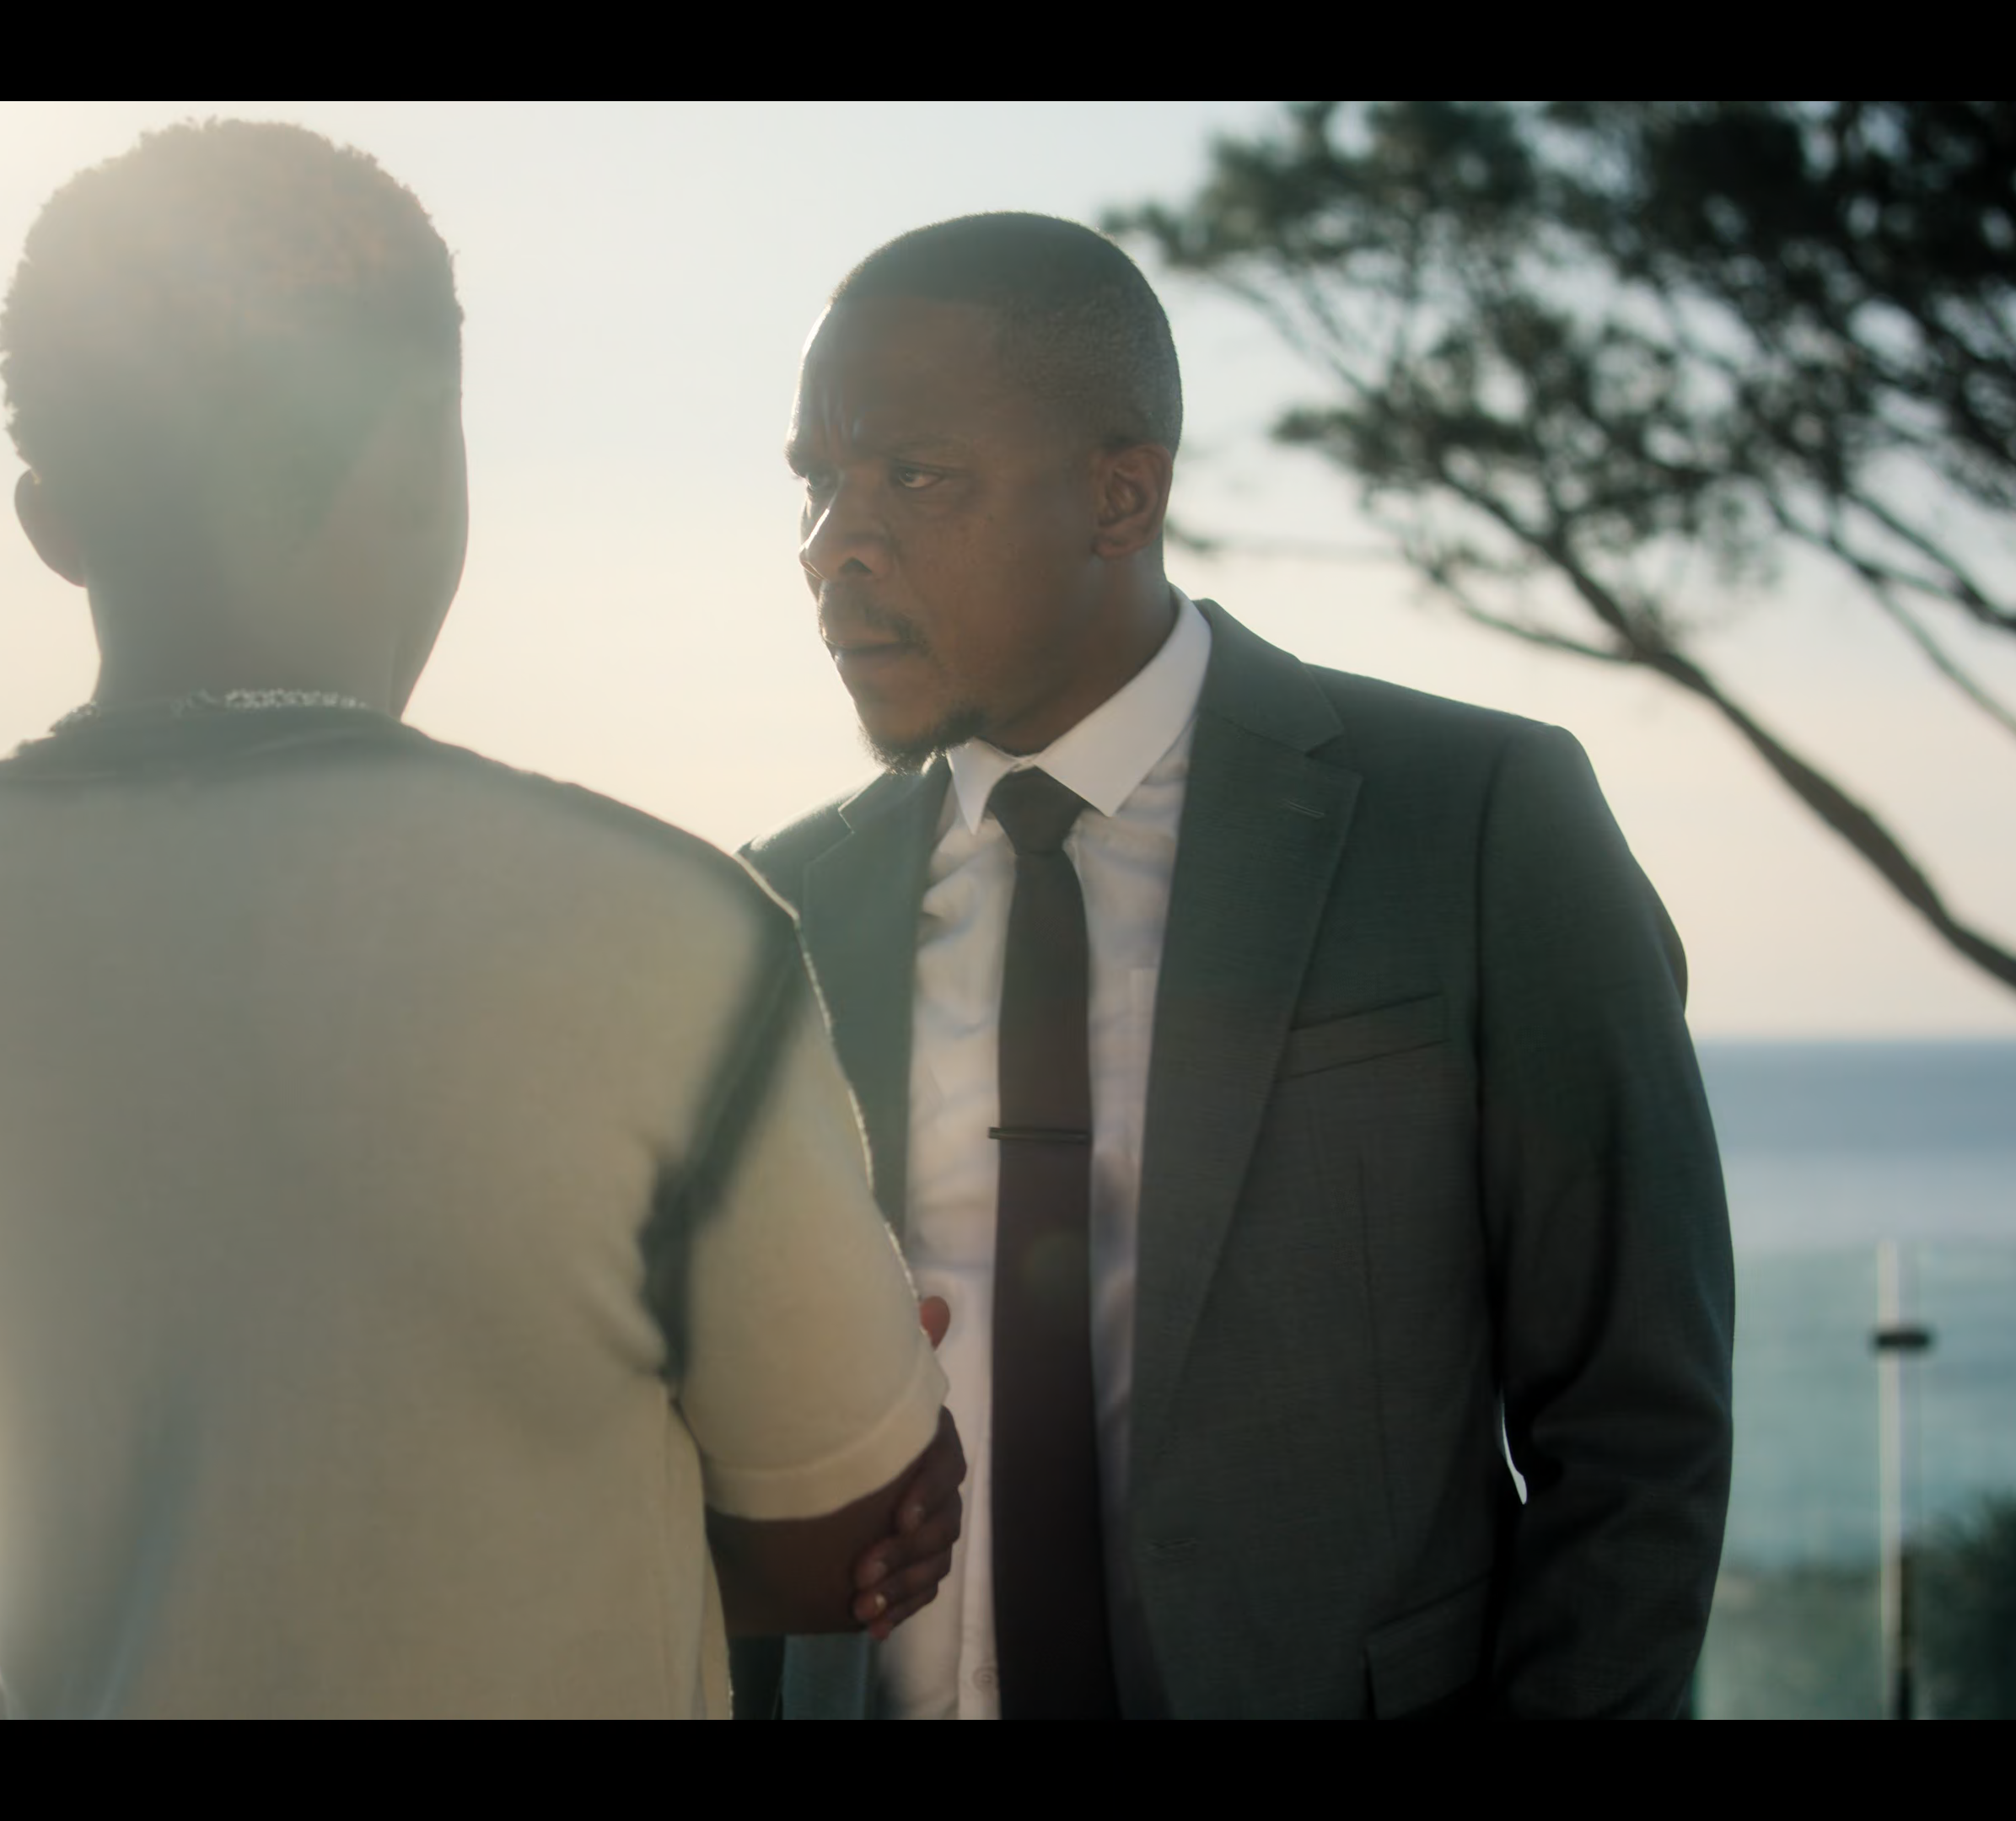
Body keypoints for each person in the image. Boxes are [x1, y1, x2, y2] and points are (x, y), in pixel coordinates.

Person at [0, 121, 960, 1719]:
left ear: (48, 518)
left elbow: (125, 1472)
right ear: (427, 464)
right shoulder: (663, 937)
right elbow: (848, 1543)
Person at [736, 213, 1733, 1719]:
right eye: (816, 481)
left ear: (1120, 495)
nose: (833, 545)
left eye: (914, 476)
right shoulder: (774, 906)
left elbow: (1638, 1428)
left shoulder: (1475, 824)